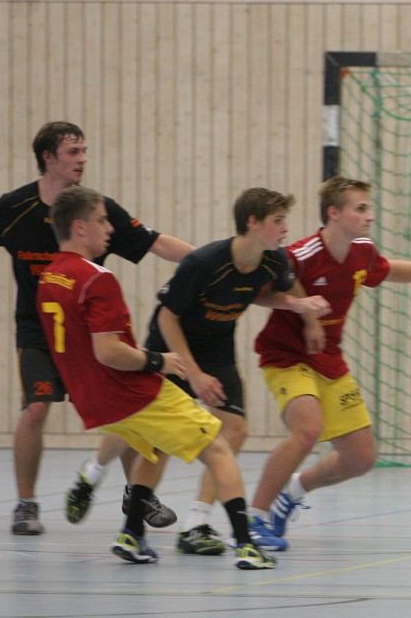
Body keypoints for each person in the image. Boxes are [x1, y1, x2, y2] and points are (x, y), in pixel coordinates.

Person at [0, 121, 192, 535]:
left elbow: (154, 242)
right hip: (38, 330)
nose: (83, 159)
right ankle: (26, 505)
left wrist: (204, 260)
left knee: (131, 409)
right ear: (48, 158)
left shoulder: (94, 209)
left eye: (84, 151)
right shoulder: (14, 209)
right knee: (35, 409)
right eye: (73, 153)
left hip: (93, 335)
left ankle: (137, 494)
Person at [35, 185, 277, 569]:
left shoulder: (50, 276)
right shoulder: (97, 279)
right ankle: (246, 545)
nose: (109, 229)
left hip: (92, 400)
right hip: (129, 391)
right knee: (218, 449)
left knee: (151, 447)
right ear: (79, 227)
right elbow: (108, 351)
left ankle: (131, 536)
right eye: (101, 221)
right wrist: (157, 361)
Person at [243, 176, 411, 551]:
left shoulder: (362, 251)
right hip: (286, 357)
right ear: (333, 213)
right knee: (307, 431)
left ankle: (293, 492)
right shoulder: (299, 255)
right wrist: (305, 312)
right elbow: (261, 294)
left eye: (369, 208)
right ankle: (252, 521)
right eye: (361, 208)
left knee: (360, 458)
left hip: (330, 360)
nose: (370, 215)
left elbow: (388, 270)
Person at [141, 187, 328, 556]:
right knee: (155, 440)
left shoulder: (274, 260)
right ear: (253, 223)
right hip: (171, 345)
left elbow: (262, 294)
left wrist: (299, 307)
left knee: (236, 427)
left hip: (216, 346)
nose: (285, 228)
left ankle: (196, 524)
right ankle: (129, 525)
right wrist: (192, 374)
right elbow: (167, 317)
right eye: (278, 221)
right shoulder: (203, 262)